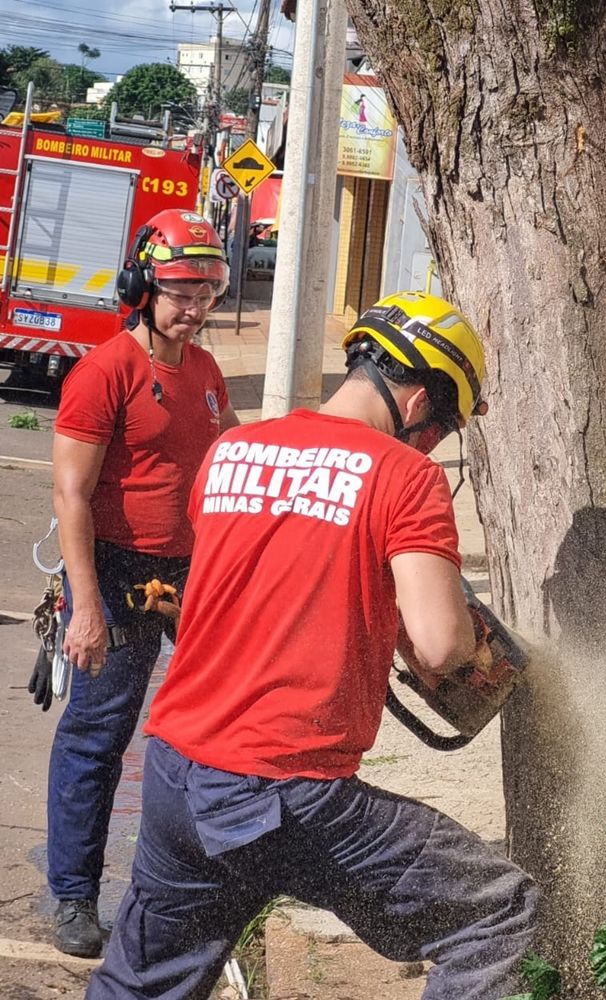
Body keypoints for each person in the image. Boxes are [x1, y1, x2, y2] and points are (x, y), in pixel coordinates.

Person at [85, 291, 539, 1000]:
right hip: (288, 794)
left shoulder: (232, 450)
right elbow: (444, 644)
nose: (432, 445)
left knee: (143, 985)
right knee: (495, 912)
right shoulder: (405, 476)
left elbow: (266, 582)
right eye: (443, 427)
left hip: (178, 772)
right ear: (418, 401)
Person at [46, 208, 239, 958]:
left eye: (208, 293)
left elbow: (224, 462)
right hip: (117, 567)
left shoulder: (206, 372)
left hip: (190, 571)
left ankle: (193, 890)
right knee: (98, 736)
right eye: (181, 291)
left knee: (217, 725)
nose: (194, 309)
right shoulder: (105, 372)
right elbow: (70, 496)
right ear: (143, 285)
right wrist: (85, 604)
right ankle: (73, 898)